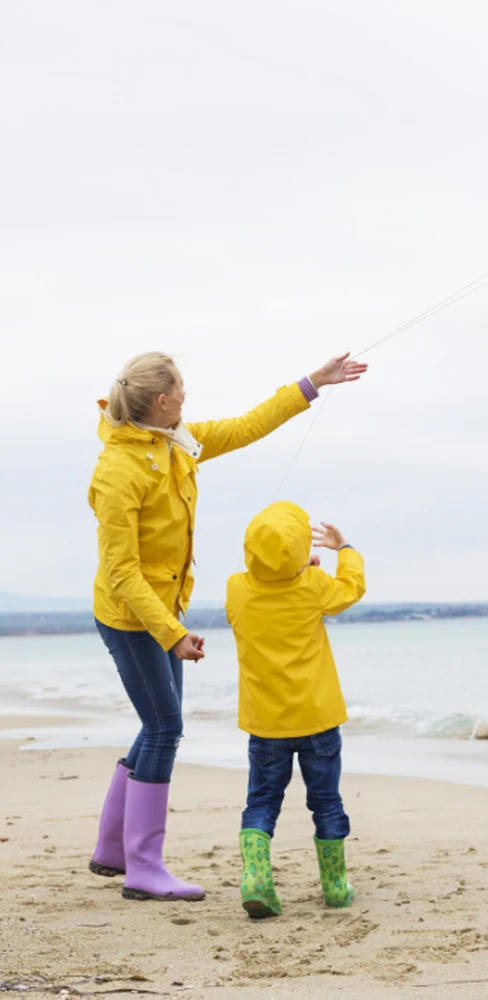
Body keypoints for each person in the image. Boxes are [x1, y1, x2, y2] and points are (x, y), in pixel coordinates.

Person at [88, 350, 367, 902]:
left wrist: (313, 383)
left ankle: (112, 848)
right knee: (165, 729)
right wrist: (171, 633)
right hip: (131, 616)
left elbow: (244, 428)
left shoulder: (175, 441)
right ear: (162, 400)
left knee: (156, 722)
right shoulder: (118, 470)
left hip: (164, 610)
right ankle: (142, 865)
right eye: (181, 389)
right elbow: (121, 574)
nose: (187, 395)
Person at [225, 502, 365, 918]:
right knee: (326, 801)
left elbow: (267, 582)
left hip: (266, 724)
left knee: (262, 801)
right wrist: (346, 549)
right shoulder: (314, 585)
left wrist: (296, 567)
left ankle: (255, 879)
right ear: (302, 550)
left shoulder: (236, 588)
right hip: (318, 718)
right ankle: (336, 886)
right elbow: (351, 589)